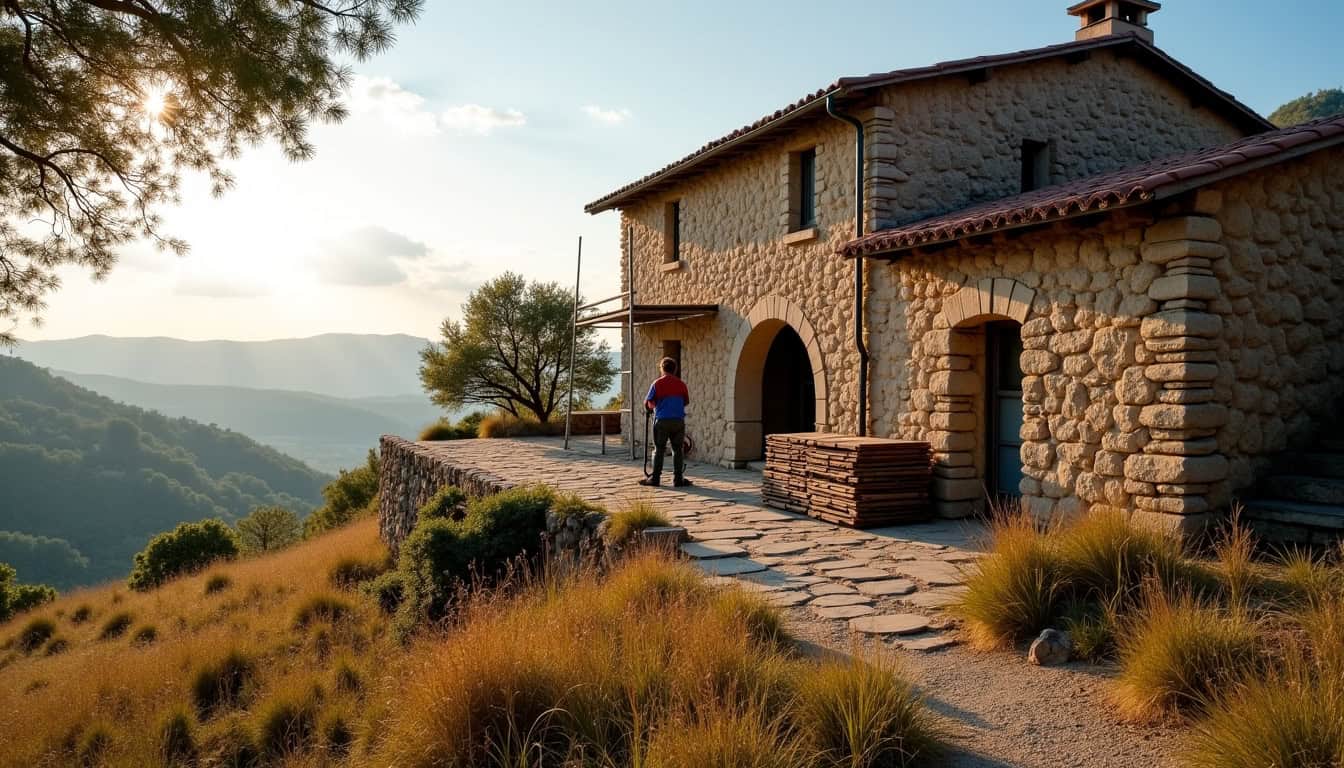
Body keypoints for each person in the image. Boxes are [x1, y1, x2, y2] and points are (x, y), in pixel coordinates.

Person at [640, 356, 692, 487]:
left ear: (662, 368)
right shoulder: (681, 384)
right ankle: (678, 479)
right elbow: (686, 401)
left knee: (659, 449)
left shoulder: (657, 383)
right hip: (678, 421)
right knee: (678, 450)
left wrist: (652, 407)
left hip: (662, 420)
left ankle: (655, 478)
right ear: (675, 369)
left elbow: (648, 402)